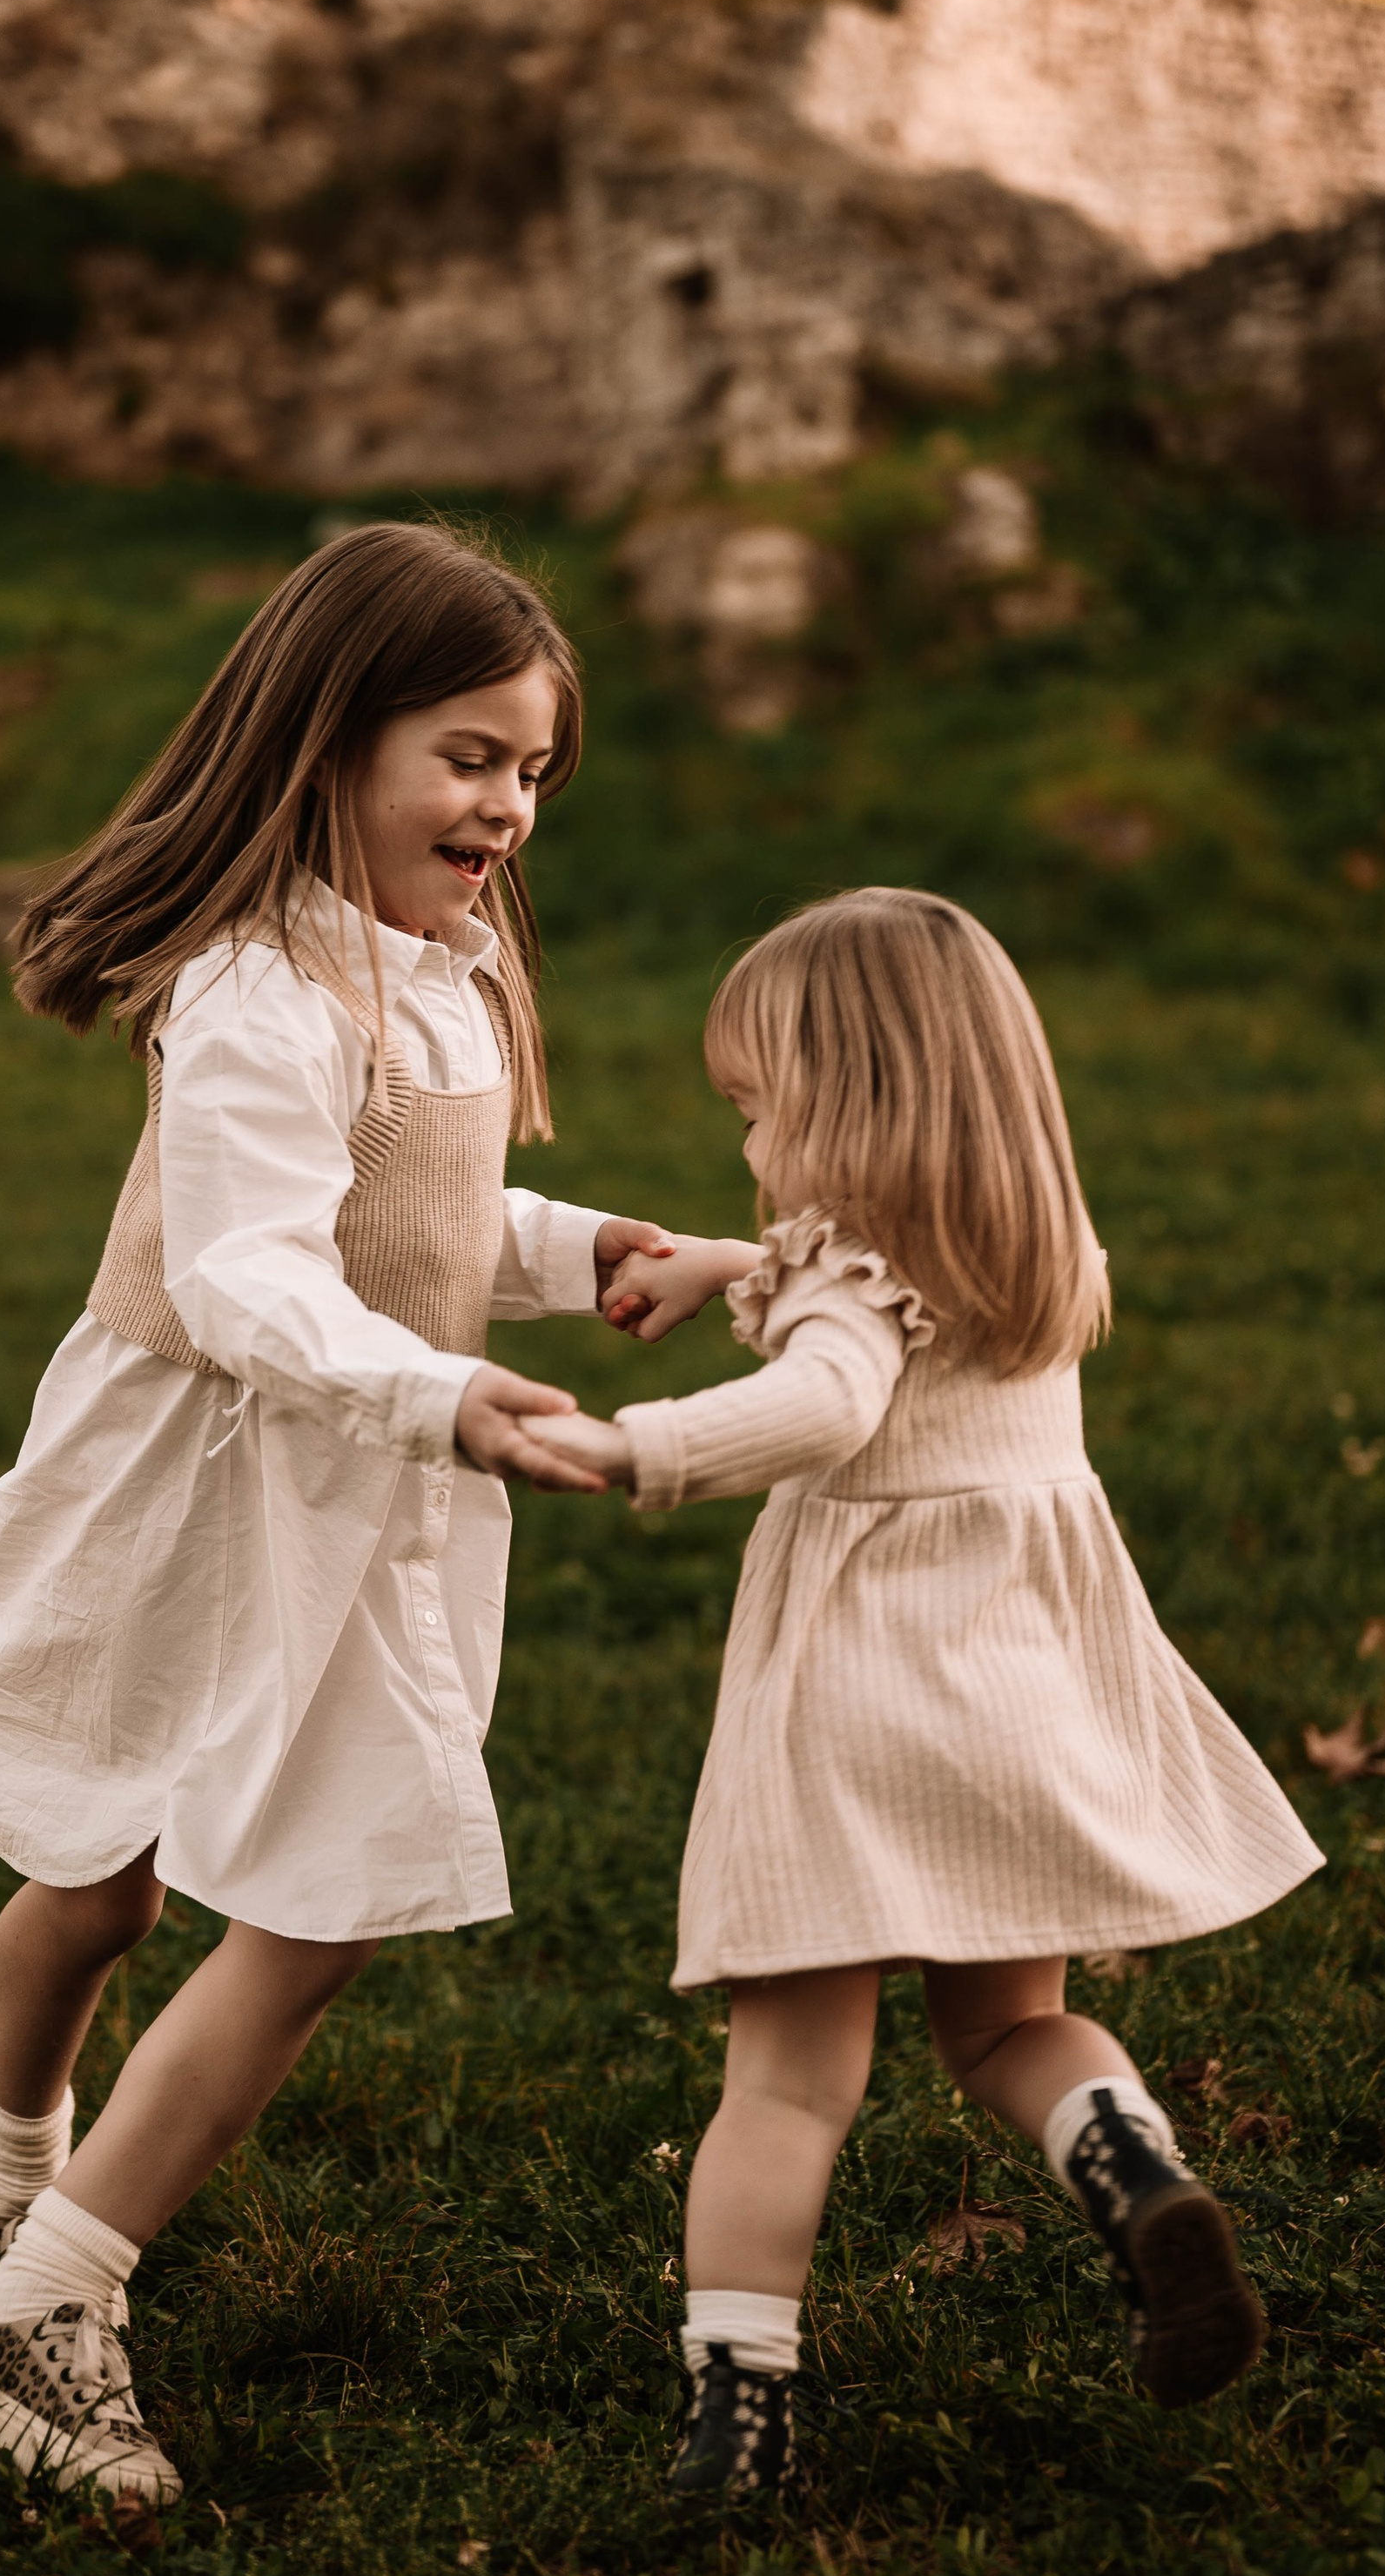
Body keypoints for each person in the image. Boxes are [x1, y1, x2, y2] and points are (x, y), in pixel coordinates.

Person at [0, 522, 713, 2519]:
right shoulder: (253, 992)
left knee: (329, 1889)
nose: (505, 807)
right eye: (465, 757)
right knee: (101, 1872)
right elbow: (255, 1278)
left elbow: (423, 1220)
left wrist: (582, 1242)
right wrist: (444, 1393)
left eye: (529, 769)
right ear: (329, 737)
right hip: (198, 1480)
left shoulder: (433, 976)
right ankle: (20, 2159)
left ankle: (47, 2280)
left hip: (351, 1488)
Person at [521, 887, 1325, 2495]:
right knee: (1015, 2020)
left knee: (790, 2082)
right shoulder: (1030, 1245)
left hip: (857, 1708)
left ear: (841, 1101)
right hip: (1013, 1691)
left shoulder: (847, 1285)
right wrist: (733, 1263)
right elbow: (862, 1294)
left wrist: (640, 1446)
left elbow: (828, 1392)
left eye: (757, 1112)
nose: (749, 1146)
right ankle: (1129, 2168)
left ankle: (741, 2416)